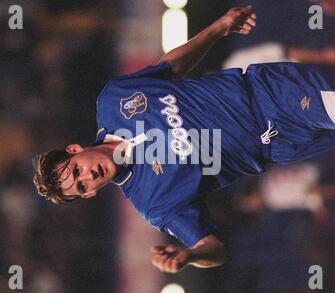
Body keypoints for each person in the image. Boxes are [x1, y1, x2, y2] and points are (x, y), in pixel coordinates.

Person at [33, 5, 335, 273]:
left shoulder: (113, 100)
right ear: (89, 194)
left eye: (76, 170)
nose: (87, 176)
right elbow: (213, 248)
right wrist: (190, 256)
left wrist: (219, 28)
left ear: (75, 150)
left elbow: (171, 67)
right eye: (82, 186)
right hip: (278, 145)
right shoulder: (154, 202)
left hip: (268, 93)